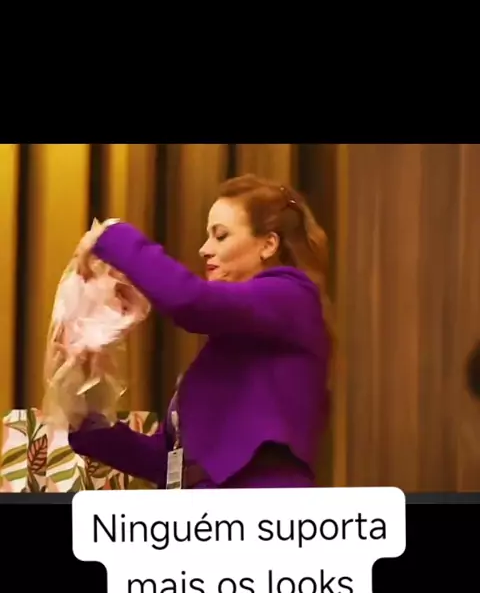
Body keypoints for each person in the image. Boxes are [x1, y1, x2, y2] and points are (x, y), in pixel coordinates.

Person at [68, 174, 334, 489]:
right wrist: (83, 414)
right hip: (204, 510)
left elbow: (189, 300)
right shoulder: (231, 343)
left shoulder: (293, 295)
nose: (204, 249)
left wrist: (112, 235)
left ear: (268, 245)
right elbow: (167, 462)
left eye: (220, 236)